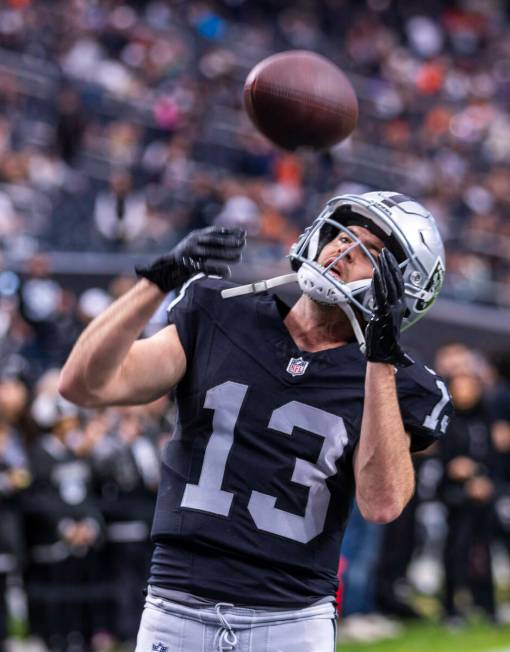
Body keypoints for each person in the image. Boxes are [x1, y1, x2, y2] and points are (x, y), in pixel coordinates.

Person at [59, 191, 453, 652]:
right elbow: (84, 386)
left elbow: (382, 504)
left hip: (290, 619)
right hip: (175, 605)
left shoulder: (395, 380)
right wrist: (155, 282)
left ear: (404, 287)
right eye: (338, 236)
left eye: (369, 253)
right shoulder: (221, 310)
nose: (340, 253)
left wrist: (380, 360)